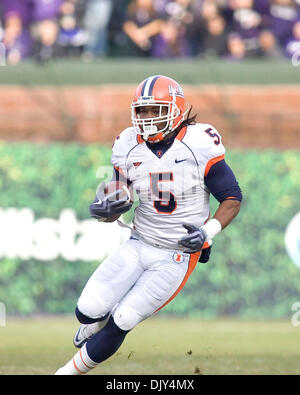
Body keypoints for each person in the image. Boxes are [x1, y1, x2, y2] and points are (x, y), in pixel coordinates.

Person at [55, 75, 242, 375]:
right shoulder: (128, 143)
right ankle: (93, 327)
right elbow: (117, 190)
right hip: (139, 241)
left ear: (175, 109)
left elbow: (232, 197)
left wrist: (208, 233)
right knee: (86, 311)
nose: (147, 119)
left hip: (177, 254)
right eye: (142, 111)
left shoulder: (200, 143)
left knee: (124, 319)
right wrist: (106, 206)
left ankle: (65, 373)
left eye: (155, 110)